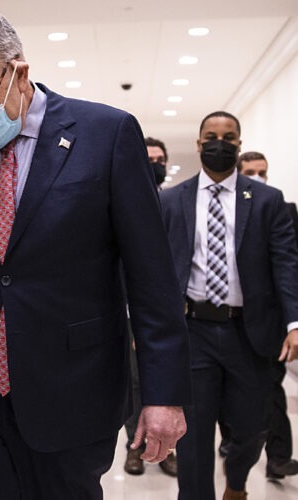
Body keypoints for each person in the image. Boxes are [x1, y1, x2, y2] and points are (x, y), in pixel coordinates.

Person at [0, 9, 191, 500]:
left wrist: (163, 395)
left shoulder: (107, 134)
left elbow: (151, 277)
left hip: (71, 385)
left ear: (18, 71)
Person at [160, 111, 298, 500]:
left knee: (254, 428)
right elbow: (157, 268)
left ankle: (236, 483)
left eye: (229, 136)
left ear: (239, 143)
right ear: (199, 142)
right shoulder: (172, 201)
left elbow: (285, 263)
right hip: (194, 330)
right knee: (194, 435)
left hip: (250, 333)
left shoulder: (268, 201)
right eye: (211, 135)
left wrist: (294, 322)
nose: (219, 142)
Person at [219, 152, 298, 480]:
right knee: (228, 388)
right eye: (251, 171)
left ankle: (278, 457)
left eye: (262, 171)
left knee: (271, 390)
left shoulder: (283, 208)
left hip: (268, 322)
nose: (258, 176)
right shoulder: (218, 209)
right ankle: (232, 440)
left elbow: (289, 265)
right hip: (225, 320)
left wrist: (293, 321)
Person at [124, 136, 177, 477]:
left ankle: (167, 450)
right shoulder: (123, 202)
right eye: (148, 158)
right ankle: (134, 448)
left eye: (160, 159)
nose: (154, 164)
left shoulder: (177, 205)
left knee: (168, 384)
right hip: (129, 313)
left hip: (171, 313)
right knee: (134, 383)